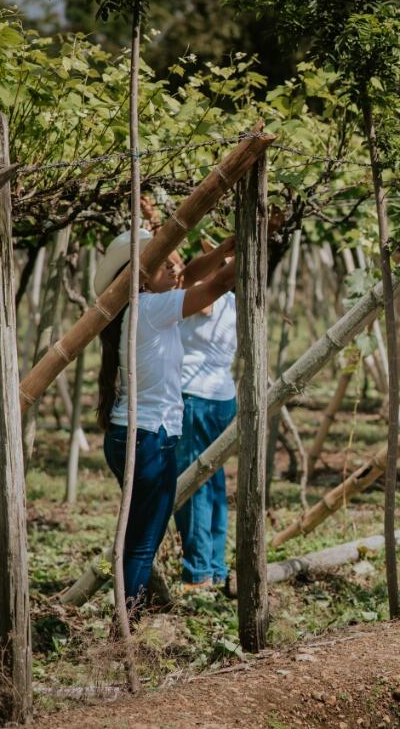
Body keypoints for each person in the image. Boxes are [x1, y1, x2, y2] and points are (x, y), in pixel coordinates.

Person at [95, 229, 237, 612]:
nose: (178, 270)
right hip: (148, 439)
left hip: (135, 436)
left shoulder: (139, 305)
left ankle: (127, 620)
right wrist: (256, 244)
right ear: (140, 276)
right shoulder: (153, 309)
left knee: (139, 539)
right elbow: (220, 283)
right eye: (167, 264)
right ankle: (126, 628)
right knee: (142, 544)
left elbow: (191, 275)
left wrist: (224, 248)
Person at [174, 235, 240, 590]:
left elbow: (188, 283)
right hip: (223, 398)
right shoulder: (232, 302)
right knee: (213, 481)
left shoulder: (201, 301)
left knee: (193, 482)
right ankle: (213, 564)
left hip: (194, 397)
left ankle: (199, 571)